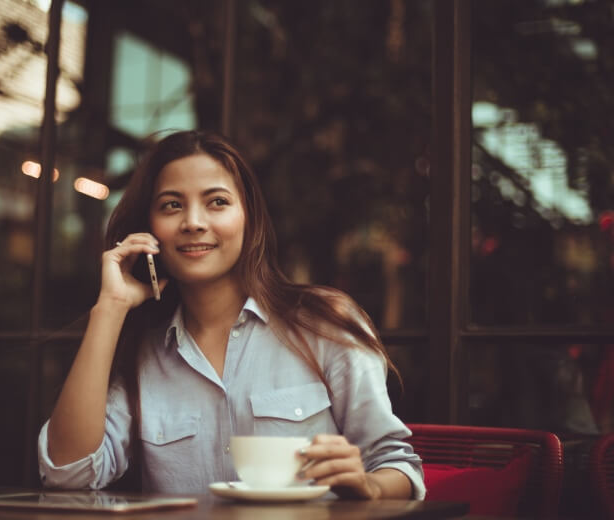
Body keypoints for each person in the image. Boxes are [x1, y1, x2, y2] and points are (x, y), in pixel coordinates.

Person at [37, 130, 425, 500]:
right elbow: (66, 473)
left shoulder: (323, 324)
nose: (193, 222)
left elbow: (397, 466)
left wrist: (368, 486)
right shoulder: (143, 354)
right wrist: (110, 308)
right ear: (150, 229)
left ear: (248, 218)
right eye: (172, 205)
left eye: (217, 202)